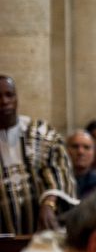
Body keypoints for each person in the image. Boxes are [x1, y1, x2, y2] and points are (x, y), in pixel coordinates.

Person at [0, 76, 75, 234]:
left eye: (9, 95)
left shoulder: (41, 133)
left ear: (17, 97)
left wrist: (49, 203)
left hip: (40, 232)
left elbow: (59, 171)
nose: (4, 101)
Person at [67, 129, 96, 200]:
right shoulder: (57, 182)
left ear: (94, 152)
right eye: (75, 146)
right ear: (66, 150)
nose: (80, 152)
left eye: (86, 147)